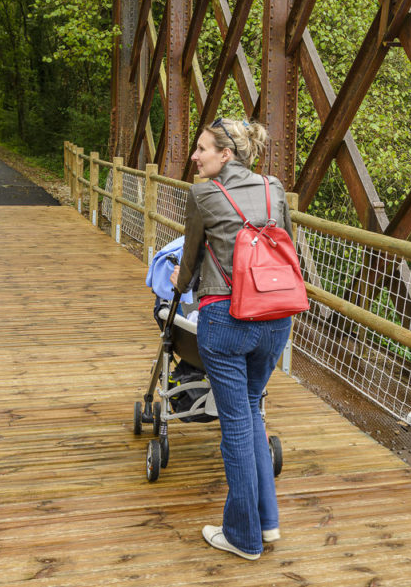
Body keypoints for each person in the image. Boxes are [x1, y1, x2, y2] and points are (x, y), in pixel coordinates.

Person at [171, 117, 293, 560]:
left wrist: (178, 284)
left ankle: (242, 536)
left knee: (237, 425)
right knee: (253, 412)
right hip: (276, 318)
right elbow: (286, 247)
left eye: (202, 148)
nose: (194, 156)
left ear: (226, 155)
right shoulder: (273, 187)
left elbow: (190, 255)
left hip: (226, 319)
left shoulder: (203, 193)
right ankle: (267, 521)